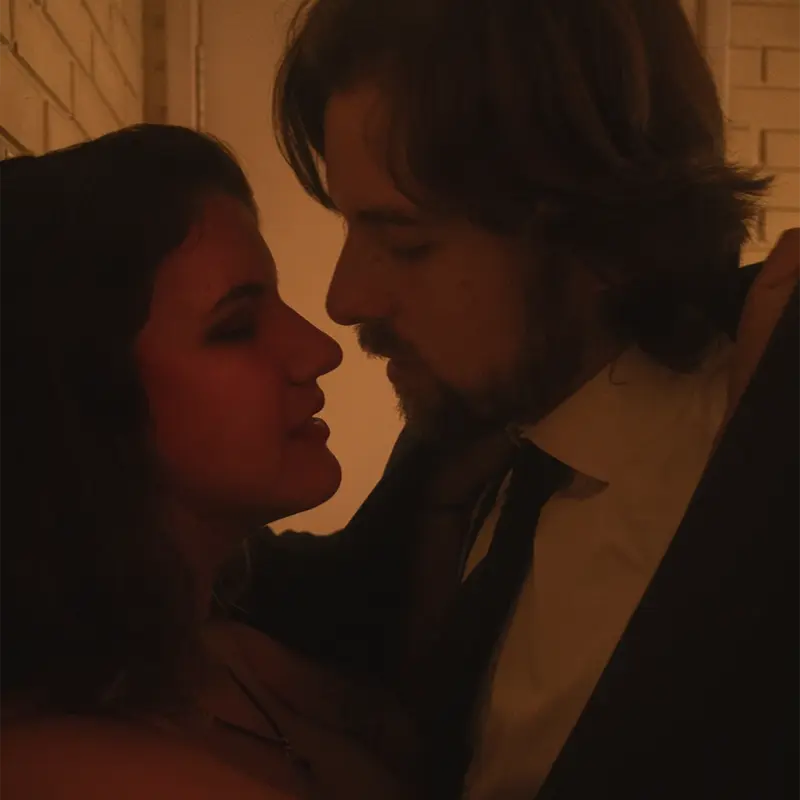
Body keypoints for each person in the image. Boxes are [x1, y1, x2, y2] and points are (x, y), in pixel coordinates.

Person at [232, 0, 797, 797]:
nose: (343, 298)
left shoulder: (755, 459)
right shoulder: (472, 439)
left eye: (407, 244)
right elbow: (338, 605)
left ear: (598, 232)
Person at [0, 124, 419, 800]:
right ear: (80, 401)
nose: (318, 350)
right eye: (235, 328)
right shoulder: (68, 766)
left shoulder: (232, 658)